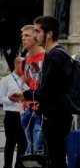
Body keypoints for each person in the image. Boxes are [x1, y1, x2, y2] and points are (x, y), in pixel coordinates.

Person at [10, 16, 74, 168]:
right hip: (53, 115)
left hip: (56, 116)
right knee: (53, 164)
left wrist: (26, 95)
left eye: (37, 31)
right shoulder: (56, 55)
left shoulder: (56, 56)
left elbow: (49, 91)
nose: (35, 35)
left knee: (57, 165)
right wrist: (27, 96)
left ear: (49, 33)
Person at [0, 57, 27, 168]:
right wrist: (11, 99)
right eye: (23, 64)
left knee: (23, 144)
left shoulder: (27, 80)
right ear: (17, 64)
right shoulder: (6, 80)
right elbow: (1, 98)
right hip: (11, 114)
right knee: (10, 143)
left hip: (23, 114)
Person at [20, 25, 45, 155]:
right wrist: (21, 107)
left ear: (35, 38)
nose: (23, 39)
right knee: (29, 151)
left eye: (27, 36)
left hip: (41, 111)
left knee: (36, 150)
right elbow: (23, 84)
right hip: (27, 111)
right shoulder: (25, 60)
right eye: (23, 36)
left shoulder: (46, 57)